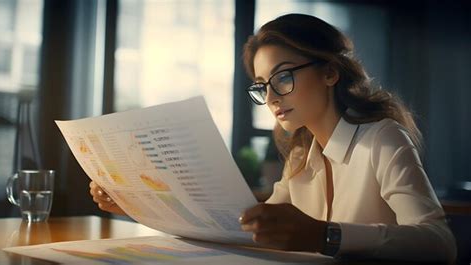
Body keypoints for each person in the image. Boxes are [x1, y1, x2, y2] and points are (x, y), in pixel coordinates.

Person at [90, 13, 456, 262]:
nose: (271, 98)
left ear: (330, 72)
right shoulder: (300, 158)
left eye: (283, 77)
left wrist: (326, 237)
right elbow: (242, 227)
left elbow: (440, 243)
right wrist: (135, 202)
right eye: (263, 86)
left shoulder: (381, 139)